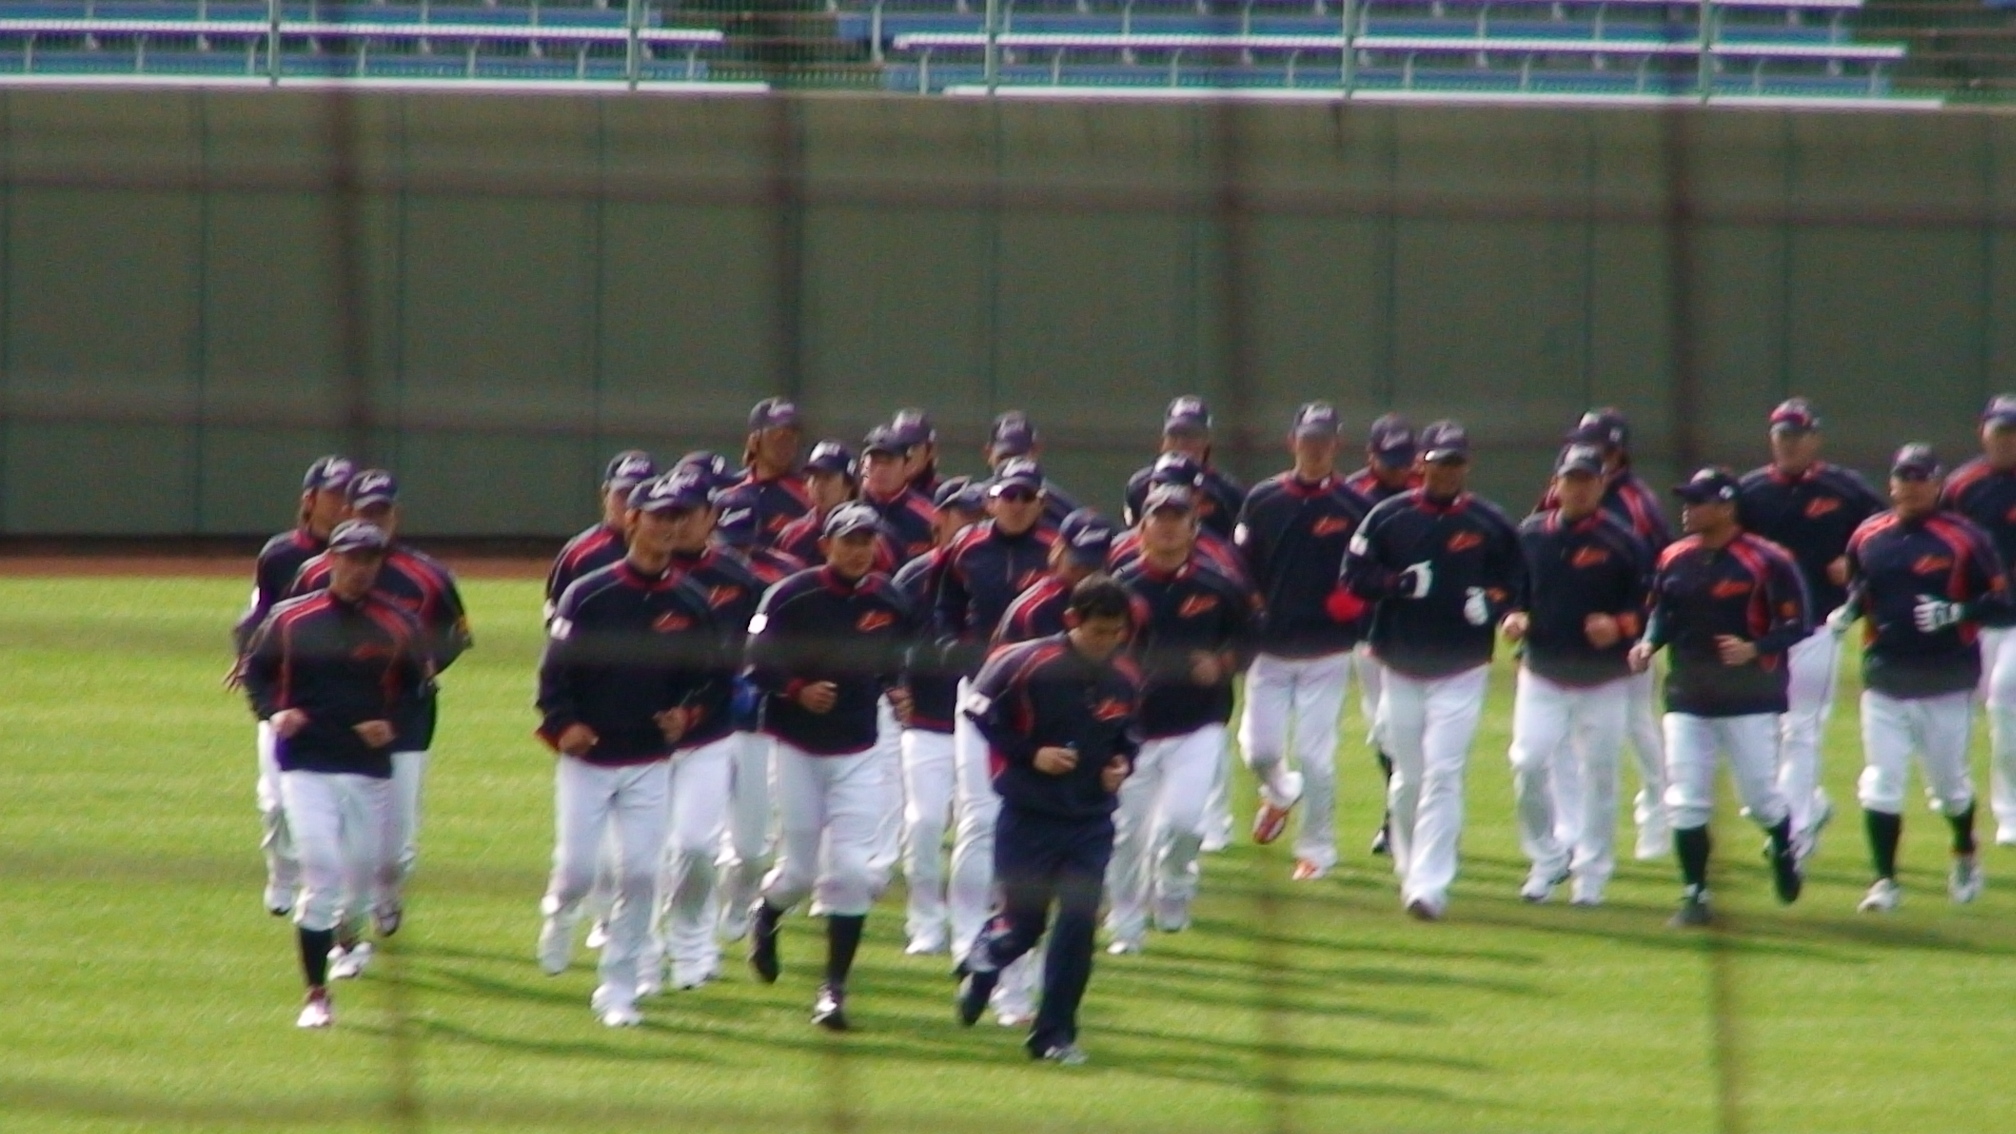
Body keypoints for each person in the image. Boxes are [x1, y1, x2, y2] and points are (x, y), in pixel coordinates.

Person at [535, 473, 721, 1026]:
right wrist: (563, 724)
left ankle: (618, 990)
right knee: (577, 870)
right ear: (632, 520)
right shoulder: (589, 594)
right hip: (589, 759)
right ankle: (560, 910)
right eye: (657, 517)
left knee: (642, 875)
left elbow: (707, 678)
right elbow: (553, 674)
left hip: (648, 761)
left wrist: (685, 714)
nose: (667, 527)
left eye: (675, 518)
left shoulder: (690, 600)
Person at [242, 519, 427, 1028]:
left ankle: (350, 935)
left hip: (368, 770)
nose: (358, 569)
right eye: (348, 558)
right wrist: (275, 712)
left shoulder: (398, 624)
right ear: (331, 562)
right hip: (307, 763)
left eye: (368, 560)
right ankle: (317, 995)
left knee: (362, 885)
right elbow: (255, 673)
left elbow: (419, 691)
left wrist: (391, 725)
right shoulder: (292, 619)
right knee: (321, 874)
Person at [1339, 420, 1523, 920]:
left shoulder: (1489, 521)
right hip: (1400, 663)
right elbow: (1354, 576)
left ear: (1467, 466)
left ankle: (1430, 884)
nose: (1447, 473)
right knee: (1408, 776)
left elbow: (1518, 580)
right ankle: (1409, 865)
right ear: (1422, 464)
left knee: (1444, 772)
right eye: (1439, 463)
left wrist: (1495, 602)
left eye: (1456, 464)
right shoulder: (1388, 516)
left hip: (1462, 666)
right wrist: (1396, 584)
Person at [955, 576, 1141, 1067]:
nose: (1106, 642)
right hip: (1029, 815)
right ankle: (986, 959)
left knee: (1077, 925)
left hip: (1090, 821)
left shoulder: (1125, 675)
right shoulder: (1024, 661)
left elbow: (1127, 735)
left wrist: (1122, 763)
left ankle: (1053, 1033)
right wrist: (1029, 754)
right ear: (1071, 622)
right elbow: (977, 710)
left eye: (1115, 632)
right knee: (1023, 926)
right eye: (1097, 631)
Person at [743, 503, 914, 1030]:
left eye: (867, 541)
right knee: (799, 870)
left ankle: (834, 989)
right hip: (798, 747)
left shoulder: (888, 599)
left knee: (851, 872)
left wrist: (898, 689)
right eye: (849, 540)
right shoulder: (792, 596)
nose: (859, 550)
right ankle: (768, 913)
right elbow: (755, 661)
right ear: (827, 544)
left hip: (859, 751)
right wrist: (797, 689)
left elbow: (892, 658)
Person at [287, 469, 471, 958]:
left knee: (396, 845)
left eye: (382, 510)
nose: (375, 517)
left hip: (405, 722)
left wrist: (427, 667)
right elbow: (285, 633)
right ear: (348, 512)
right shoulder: (315, 573)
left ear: (395, 514)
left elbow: (458, 634)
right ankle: (347, 934)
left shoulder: (428, 576)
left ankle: (386, 893)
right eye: (365, 509)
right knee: (345, 836)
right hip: (334, 725)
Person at [1627, 467, 1810, 928]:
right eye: (1687, 500)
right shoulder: (1674, 558)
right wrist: (1649, 643)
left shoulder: (1767, 560)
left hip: (1750, 697)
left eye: (1698, 501)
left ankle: (1782, 842)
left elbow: (1797, 624)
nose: (1687, 509)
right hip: (1688, 694)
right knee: (1685, 798)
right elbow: (1662, 613)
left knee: (1760, 798)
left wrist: (1755, 648)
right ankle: (1695, 893)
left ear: (1727, 507)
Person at [1836, 444, 2007, 912]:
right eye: (1902, 477)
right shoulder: (1869, 534)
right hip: (1885, 677)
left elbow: (2001, 602)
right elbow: (1862, 588)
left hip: (1944, 679)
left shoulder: (1965, 538)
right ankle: (1885, 881)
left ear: (1937, 484)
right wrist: (1846, 612)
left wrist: (1959, 610)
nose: (1909, 487)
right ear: (1891, 483)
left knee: (1949, 786)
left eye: (1919, 478)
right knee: (1880, 781)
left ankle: (1964, 850)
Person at [1501, 444, 1652, 907]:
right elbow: (1512, 593)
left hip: (1603, 679)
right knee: (1527, 762)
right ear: (1557, 484)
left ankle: (1592, 874)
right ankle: (1547, 857)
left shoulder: (1622, 541)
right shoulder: (1530, 536)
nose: (1580, 488)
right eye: (1572, 479)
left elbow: (1647, 608)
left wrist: (1619, 627)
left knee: (1600, 776)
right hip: (1543, 672)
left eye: (1589, 480)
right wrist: (1512, 617)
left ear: (1602, 485)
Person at [1107, 485, 1253, 953]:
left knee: (1185, 822)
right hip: (1133, 730)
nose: (1167, 526)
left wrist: (1222, 665)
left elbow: (1249, 640)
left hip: (1198, 724)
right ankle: (1125, 925)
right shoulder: (1120, 587)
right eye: (1158, 517)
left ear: (1194, 529)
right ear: (1141, 526)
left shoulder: (1218, 585)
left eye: (1177, 518)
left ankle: (1173, 885)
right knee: (1128, 833)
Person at [1737, 398, 1884, 857]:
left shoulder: (1843, 489)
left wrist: (1855, 562)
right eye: (1781, 435)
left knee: (1802, 729)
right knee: (1766, 729)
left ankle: (1796, 830)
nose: (1789, 444)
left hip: (1821, 625)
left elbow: (1888, 533)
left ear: (1813, 440)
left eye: (1797, 436)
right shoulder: (1752, 492)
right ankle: (1811, 804)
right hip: (1763, 632)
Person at [641, 469, 768, 995]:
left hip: (719, 725)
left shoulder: (740, 582)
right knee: (644, 850)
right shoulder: (639, 579)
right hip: (643, 731)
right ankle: (664, 948)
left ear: (710, 517)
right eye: (669, 514)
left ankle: (698, 933)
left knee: (701, 845)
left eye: (689, 513)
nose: (680, 523)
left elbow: (762, 652)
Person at [1233, 402, 1373, 881]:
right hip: (1269, 649)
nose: (1315, 450)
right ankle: (1277, 791)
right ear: (1293, 443)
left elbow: (1370, 572)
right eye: (1307, 441)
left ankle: (1318, 850)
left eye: (1324, 442)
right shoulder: (1263, 500)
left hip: (1328, 651)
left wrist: (1355, 601)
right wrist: (1251, 607)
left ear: (1336, 445)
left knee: (1316, 756)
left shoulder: (1356, 506)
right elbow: (1241, 567)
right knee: (1258, 751)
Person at [936, 457, 1059, 962]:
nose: (1016, 505)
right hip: (981, 692)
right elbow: (943, 604)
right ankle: (968, 933)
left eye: (1026, 497)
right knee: (979, 815)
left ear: (1041, 502)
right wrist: (952, 648)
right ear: (991, 499)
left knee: (1027, 816)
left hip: (1038, 700)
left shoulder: (1054, 551)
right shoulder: (966, 545)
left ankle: (1014, 923)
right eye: (1008, 495)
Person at [1542, 408, 1674, 863]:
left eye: (1594, 444)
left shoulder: (1638, 503)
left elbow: (1663, 570)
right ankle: (1571, 829)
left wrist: (1641, 632)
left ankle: (1659, 808)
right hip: (1565, 642)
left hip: (1627, 636)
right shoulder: (1562, 488)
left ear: (1616, 453)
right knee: (1560, 736)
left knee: (1638, 724)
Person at [230, 454, 356, 918]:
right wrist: (246, 654)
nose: (345, 503)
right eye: (336, 493)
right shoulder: (281, 555)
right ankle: (282, 872)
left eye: (350, 494)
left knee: (343, 806)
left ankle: (329, 902)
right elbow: (258, 615)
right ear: (310, 500)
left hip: (343, 693)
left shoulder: (364, 553)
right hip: (284, 689)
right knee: (277, 803)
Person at [890, 477, 990, 956]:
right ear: (939, 519)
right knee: (926, 822)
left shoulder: (996, 573)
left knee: (979, 824)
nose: (968, 522)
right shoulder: (914, 577)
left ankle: (976, 921)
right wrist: (895, 686)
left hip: (985, 722)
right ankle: (926, 922)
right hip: (927, 719)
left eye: (976, 514)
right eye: (959, 513)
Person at [1939, 393, 2016, 844]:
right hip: (1970, 617)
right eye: (1999, 431)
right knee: (1951, 713)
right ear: (1983, 432)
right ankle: (1950, 792)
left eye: (2013, 432)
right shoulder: (1962, 486)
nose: (2006, 440)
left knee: (2005, 703)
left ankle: (2009, 811)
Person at [1343, 414, 1419, 856]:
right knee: (1383, 729)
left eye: (1405, 460)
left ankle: (1402, 819)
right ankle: (1397, 814)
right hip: (1370, 630)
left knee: (1410, 728)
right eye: (1391, 460)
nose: (1399, 469)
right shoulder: (1353, 496)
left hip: (1422, 631)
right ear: (1371, 456)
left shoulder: (1429, 493)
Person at [546, 451, 658, 621]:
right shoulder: (579, 553)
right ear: (606, 494)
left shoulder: (671, 548)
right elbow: (555, 613)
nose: (631, 503)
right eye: (624, 493)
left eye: (641, 494)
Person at [1123, 396, 1246, 539]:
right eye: (1174, 434)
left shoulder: (1227, 492)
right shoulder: (1139, 486)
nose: (1181, 442)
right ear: (1163, 440)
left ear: (1207, 440)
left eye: (1190, 435)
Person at [998, 509, 1118, 646]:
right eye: (1078, 564)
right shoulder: (1033, 611)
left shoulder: (1123, 606)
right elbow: (1001, 662)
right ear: (1058, 551)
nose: (1084, 573)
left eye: (1093, 566)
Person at [733, 396, 812, 546]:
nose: (785, 443)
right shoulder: (729, 492)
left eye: (792, 436)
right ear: (755, 439)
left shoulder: (808, 494)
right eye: (776, 435)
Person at [985, 412, 1078, 529]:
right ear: (988, 453)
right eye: (1005, 458)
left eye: (1020, 458)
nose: (1012, 465)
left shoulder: (1060, 508)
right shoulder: (970, 505)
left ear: (1036, 452)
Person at [775, 440, 860, 567]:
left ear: (848, 485)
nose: (819, 486)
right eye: (814, 478)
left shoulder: (870, 536)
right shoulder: (793, 536)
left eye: (827, 478)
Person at [890, 407, 943, 498]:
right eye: (899, 446)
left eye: (912, 448)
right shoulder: (875, 490)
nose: (906, 454)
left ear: (931, 451)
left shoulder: (944, 495)